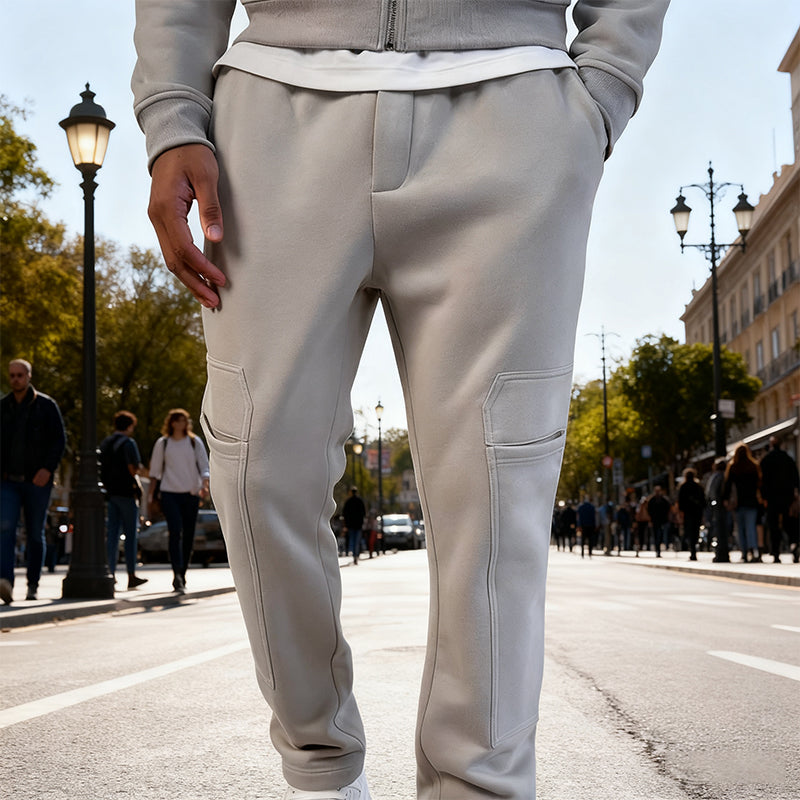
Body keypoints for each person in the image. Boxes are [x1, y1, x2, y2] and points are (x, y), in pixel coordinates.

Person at [132, 1, 669, 796]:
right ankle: (320, 765)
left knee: (495, 496)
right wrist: (173, 115)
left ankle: (477, 785)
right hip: (272, 115)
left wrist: (604, 90)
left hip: (512, 101)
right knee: (257, 471)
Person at [0, 359, 66, 604]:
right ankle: (5, 582)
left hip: (37, 481)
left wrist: (47, 469)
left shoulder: (46, 406)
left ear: (29, 376)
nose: (15, 379)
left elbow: (59, 440)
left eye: (20, 375)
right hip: (8, 481)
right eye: (12, 375)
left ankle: (33, 585)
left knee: (35, 533)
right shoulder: (3, 407)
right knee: (5, 530)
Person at [147, 409, 210, 594]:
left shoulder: (194, 441)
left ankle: (183, 573)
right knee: (175, 531)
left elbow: (204, 465)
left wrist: (205, 485)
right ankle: (176, 573)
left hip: (191, 493)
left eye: (185, 420)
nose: (182, 424)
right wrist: (151, 496)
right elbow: (155, 471)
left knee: (188, 534)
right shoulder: (163, 443)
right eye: (178, 420)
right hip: (169, 493)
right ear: (172, 422)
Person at [99, 411, 148, 589]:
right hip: (127, 493)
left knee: (111, 535)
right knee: (130, 535)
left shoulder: (106, 443)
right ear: (129, 426)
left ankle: (110, 572)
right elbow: (133, 468)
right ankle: (131, 574)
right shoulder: (129, 443)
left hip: (111, 493)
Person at [759, 435, 800, 564]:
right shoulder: (788, 458)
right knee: (790, 524)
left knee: (774, 526)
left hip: (772, 498)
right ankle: (794, 545)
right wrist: (796, 494)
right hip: (787, 497)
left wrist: (764, 496)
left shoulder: (766, 460)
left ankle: (776, 553)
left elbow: (762, 481)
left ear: (771, 445)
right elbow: (796, 477)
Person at [723, 443, 762, 563]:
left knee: (740, 529)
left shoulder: (733, 467)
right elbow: (759, 484)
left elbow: (728, 485)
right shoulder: (753, 466)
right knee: (751, 527)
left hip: (738, 503)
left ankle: (744, 552)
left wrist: (726, 499)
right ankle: (753, 549)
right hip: (751, 502)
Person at [678, 467, 705, 562]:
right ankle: (694, 549)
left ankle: (692, 551)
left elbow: (680, 502)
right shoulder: (698, 486)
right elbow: (703, 501)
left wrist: (680, 514)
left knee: (689, 532)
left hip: (688, 513)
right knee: (696, 531)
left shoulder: (683, 487)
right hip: (697, 513)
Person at [342, 487, 367, 565]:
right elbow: (364, 513)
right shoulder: (360, 501)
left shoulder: (348, 502)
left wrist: (345, 524)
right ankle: (356, 555)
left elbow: (344, 513)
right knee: (357, 540)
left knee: (352, 540)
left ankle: (354, 555)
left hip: (350, 525)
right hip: (358, 525)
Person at [646, 485, 671, 558]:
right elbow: (649, 510)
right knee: (656, 535)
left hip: (662, 521)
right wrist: (650, 519)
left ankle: (661, 548)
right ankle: (657, 550)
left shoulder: (664, 500)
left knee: (661, 535)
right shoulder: (652, 500)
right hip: (654, 521)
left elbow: (668, 509)